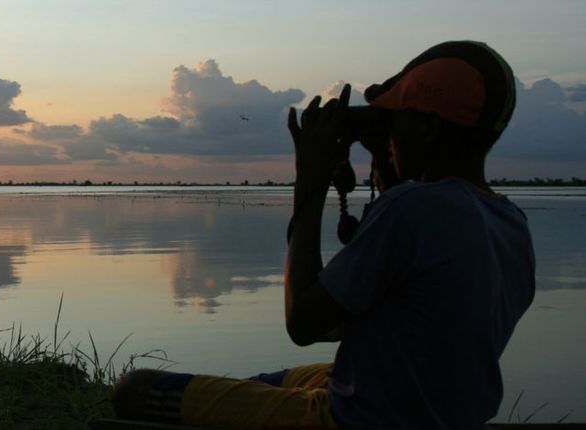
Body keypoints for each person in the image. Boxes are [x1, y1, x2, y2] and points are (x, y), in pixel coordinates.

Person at [113, 40, 534, 428]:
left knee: (134, 389)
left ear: (428, 128)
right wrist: (387, 168)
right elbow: (374, 319)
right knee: (291, 379)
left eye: (396, 123)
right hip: (443, 414)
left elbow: (305, 323)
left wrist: (309, 183)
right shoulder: (510, 222)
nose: (388, 140)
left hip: (358, 419)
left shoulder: (411, 209)